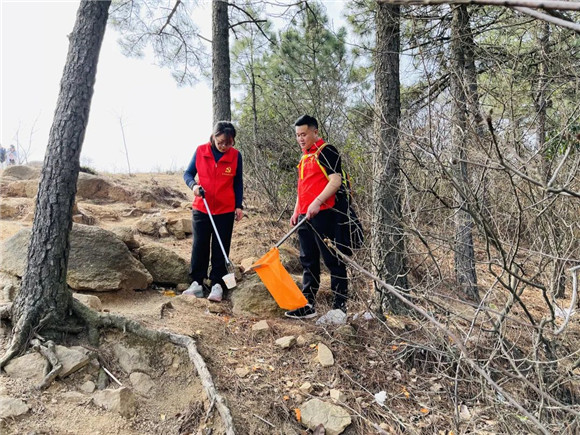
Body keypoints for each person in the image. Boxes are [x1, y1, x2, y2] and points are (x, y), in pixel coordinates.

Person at [285, 115, 348, 319]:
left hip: (325, 214)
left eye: (303, 134)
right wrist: (296, 210)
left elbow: (335, 181)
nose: (300, 139)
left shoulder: (326, 151)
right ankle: (308, 304)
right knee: (308, 260)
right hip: (305, 216)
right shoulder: (304, 156)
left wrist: (317, 202)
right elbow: (302, 187)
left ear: (315, 132)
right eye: (297, 135)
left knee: (333, 260)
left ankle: (339, 307)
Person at [183, 121, 243, 302]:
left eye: (229, 143)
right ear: (214, 136)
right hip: (202, 208)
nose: (224, 146)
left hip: (225, 210)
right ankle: (197, 283)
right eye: (221, 142)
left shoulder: (236, 156)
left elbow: (238, 182)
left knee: (221, 246)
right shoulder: (201, 151)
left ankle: (217, 283)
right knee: (200, 245)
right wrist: (194, 186)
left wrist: (238, 205)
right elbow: (187, 174)